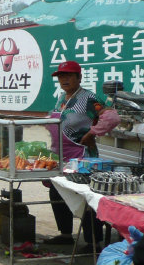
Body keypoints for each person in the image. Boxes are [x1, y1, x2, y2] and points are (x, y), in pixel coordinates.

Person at [42, 60, 119, 247]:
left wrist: (93, 133)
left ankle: (94, 242)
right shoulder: (62, 98)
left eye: (68, 75)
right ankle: (66, 234)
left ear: (79, 77)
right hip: (63, 155)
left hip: (83, 156)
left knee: (85, 196)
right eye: (61, 76)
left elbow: (112, 117)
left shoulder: (89, 99)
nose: (64, 79)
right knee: (56, 191)